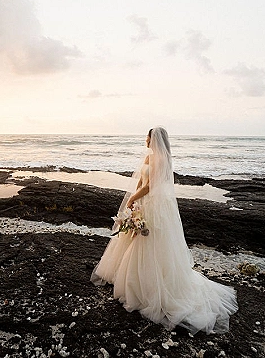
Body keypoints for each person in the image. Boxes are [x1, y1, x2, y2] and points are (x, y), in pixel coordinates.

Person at [91, 127, 238, 334]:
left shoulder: (162, 160)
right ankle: (130, 280)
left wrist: (134, 198)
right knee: (135, 238)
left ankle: (148, 287)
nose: (146, 140)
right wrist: (135, 201)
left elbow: (151, 186)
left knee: (149, 241)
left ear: (154, 139)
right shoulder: (149, 158)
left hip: (155, 206)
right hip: (144, 203)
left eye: (148, 137)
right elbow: (142, 182)